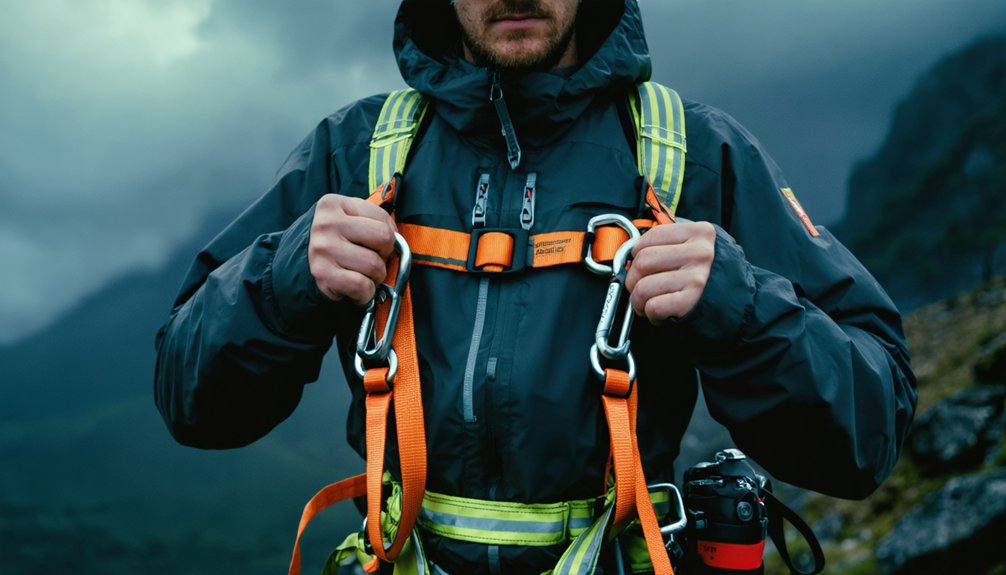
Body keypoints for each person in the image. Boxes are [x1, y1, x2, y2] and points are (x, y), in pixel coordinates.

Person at [154, 0, 917, 573]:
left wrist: (737, 301)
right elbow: (191, 399)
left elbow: (866, 435)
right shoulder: (356, 153)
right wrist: (284, 276)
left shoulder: (695, 153)